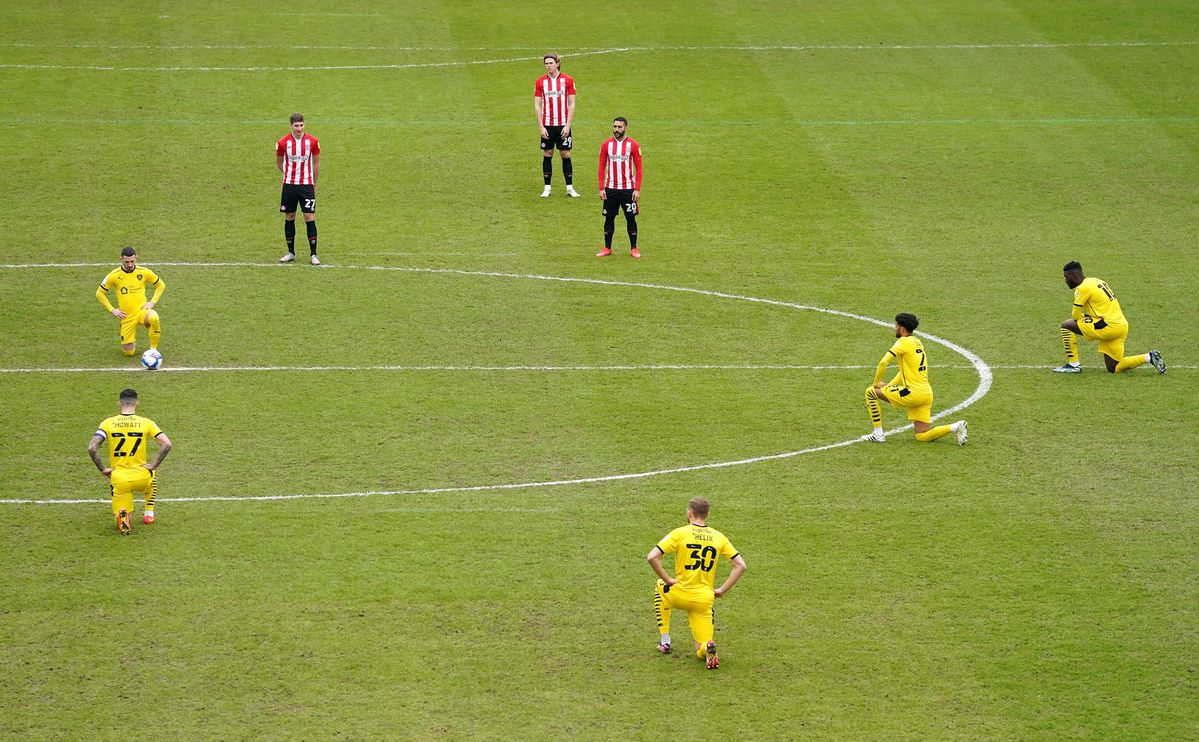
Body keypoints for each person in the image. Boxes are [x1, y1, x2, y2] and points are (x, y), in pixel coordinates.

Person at [646, 496, 747, 669]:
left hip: (679, 593)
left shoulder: (680, 533)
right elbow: (741, 566)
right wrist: (722, 590)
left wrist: (668, 579)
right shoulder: (719, 537)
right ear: (707, 514)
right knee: (701, 644)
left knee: (659, 586)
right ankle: (707, 647)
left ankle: (665, 641)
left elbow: (652, 557)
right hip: (704, 600)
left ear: (689, 513)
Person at [861, 313, 968, 444]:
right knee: (922, 435)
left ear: (902, 328)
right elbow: (903, 372)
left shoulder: (902, 342)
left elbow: (883, 363)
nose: (894, 328)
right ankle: (955, 426)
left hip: (913, 394)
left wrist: (876, 383)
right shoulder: (917, 342)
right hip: (926, 394)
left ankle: (878, 434)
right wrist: (888, 386)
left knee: (870, 392)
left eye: (896, 325)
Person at [1054, 261, 1164, 374]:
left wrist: (1084, 318)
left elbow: (1075, 316)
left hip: (1108, 326)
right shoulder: (1096, 281)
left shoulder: (1082, 288)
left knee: (1067, 325)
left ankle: (1073, 365)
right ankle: (1149, 357)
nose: (1065, 280)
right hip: (1121, 326)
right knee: (1114, 367)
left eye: (1066, 277)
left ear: (1074, 276)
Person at [87, 388, 172, 534]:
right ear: (137, 403)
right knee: (152, 475)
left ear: (119, 403)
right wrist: (153, 465)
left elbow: (92, 448)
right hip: (142, 477)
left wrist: (103, 469)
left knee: (121, 510)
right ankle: (149, 513)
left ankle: (124, 518)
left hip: (120, 479)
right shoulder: (146, 423)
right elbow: (167, 444)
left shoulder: (108, 423)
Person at [96, 246, 164, 359]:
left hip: (142, 311)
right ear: (121, 259)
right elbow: (99, 293)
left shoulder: (143, 272)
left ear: (136, 258)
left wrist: (152, 302)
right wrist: (112, 310)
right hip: (127, 316)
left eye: (132, 261)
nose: (130, 264)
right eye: (127, 261)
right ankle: (130, 342)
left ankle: (153, 350)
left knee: (154, 318)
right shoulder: (114, 275)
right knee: (129, 353)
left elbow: (161, 285)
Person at [276, 113, 322, 265]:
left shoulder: (313, 142)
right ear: (291, 126)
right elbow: (279, 161)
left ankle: (314, 254)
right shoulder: (282, 143)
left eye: (301, 125)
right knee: (290, 216)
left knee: (309, 217)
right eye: (296, 126)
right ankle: (290, 252)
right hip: (289, 186)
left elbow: (316, 164)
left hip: (306, 186)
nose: (299, 128)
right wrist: (289, 174)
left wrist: (313, 183)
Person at [534, 53, 579, 198]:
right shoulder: (540, 82)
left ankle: (569, 188)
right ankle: (547, 188)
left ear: (558, 63)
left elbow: (572, 103)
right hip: (547, 124)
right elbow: (537, 104)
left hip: (563, 125)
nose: (548, 66)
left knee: (565, 154)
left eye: (551, 63)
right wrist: (541, 126)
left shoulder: (568, 80)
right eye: (546, 63)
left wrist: (568, 125)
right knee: (548, 153)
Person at [597, 117, 643, 258]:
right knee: (609, 218)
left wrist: (637, 189)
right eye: (615, 127)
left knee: (631, 218)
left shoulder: (633, 145)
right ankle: (607, 248)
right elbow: (601, 166)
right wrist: (601, 188)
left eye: (619, 127)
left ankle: (634, 248)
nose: (616, 130)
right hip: (610, 189)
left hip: (628, 189)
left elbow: (639, 168)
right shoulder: (606, 145)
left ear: (625, 128)